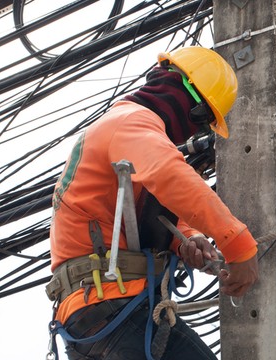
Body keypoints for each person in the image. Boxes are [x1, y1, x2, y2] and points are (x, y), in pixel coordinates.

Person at [46, 46, 259, 360]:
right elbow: (167, 174)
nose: (194, 131)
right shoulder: (131, 122)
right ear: (190, 103)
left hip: (90, 316)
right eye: (201, 120)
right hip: (111, 305)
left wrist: (187, 240)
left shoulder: (120, 129)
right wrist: (238, 246)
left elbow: (147, 206)